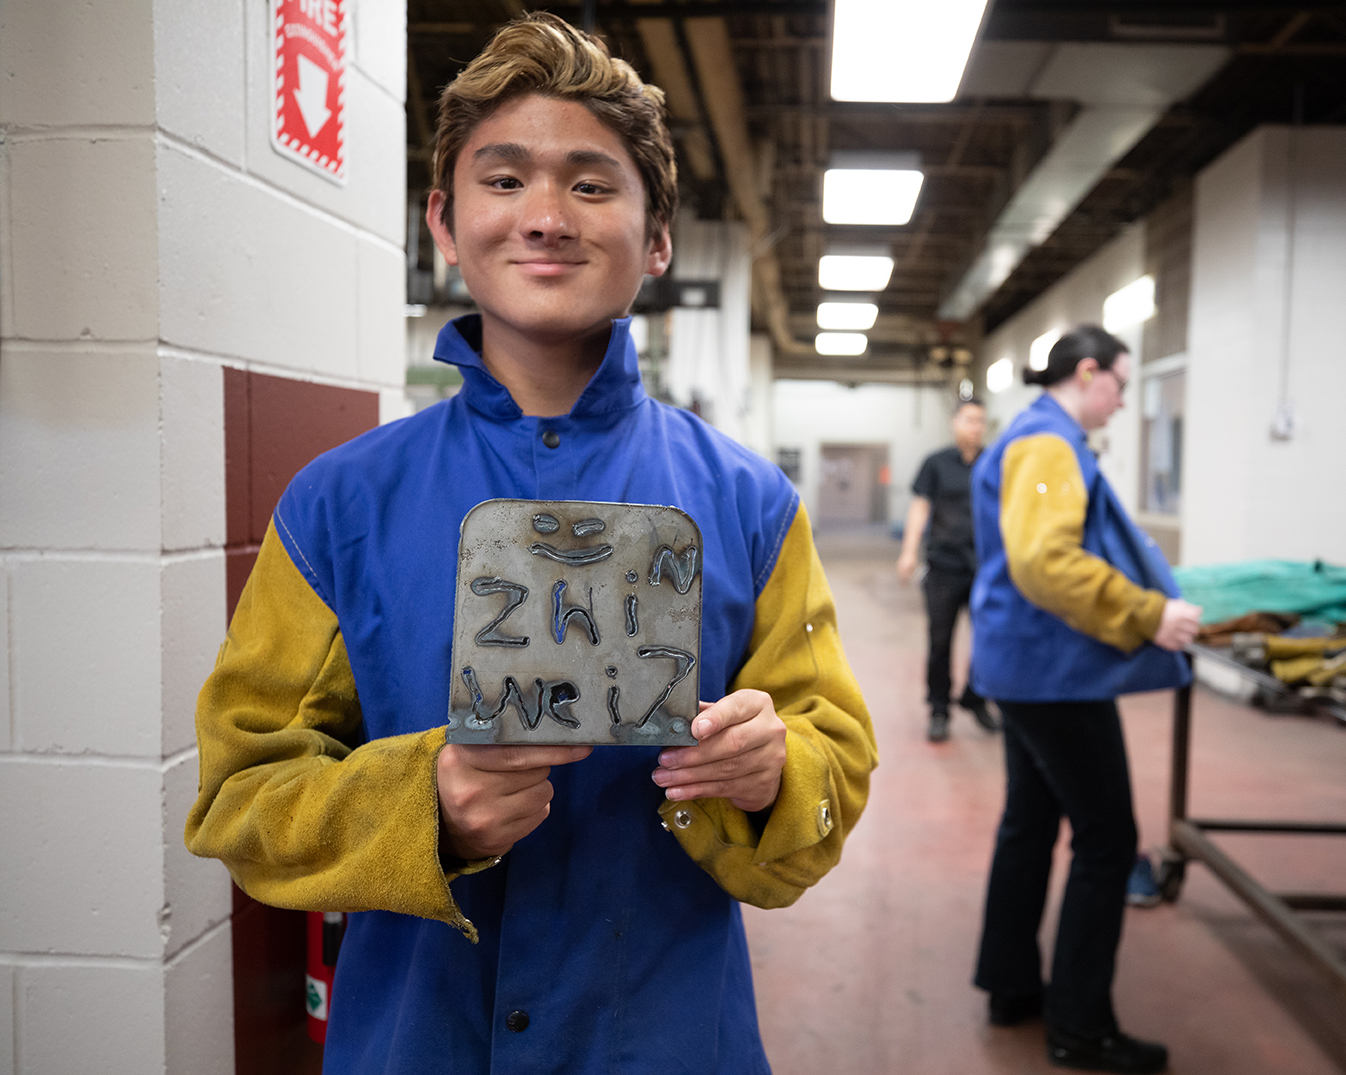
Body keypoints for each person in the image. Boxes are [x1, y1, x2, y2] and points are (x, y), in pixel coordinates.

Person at [184, 15, 877, 1073]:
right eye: (503, 181)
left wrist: (772, 767)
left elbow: (834, 765)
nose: (547, 216)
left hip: (665, 1037)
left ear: (656, 239)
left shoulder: (748, 504)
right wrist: (425, 805)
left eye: (592, 184)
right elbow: (241, 796)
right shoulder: (338, 506)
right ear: (444, 225)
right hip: (420, 1038)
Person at [968, 326, 1201, 1074]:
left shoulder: (1032, 437)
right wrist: (1145, 613)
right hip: (1053, 673)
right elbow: (1045, 562)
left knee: (1029, 823)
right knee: (1107, 838)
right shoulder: (1047, 442)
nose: (1123, 400)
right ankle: (1080, 1024)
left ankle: (1011, 987)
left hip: (1020, 665)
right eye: (1121, 384)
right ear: (1088, 371)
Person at [896, 398, 998, 742]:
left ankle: (977, 696)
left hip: (984, 567)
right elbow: (920, 508)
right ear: (955, 423)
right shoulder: (936, 464)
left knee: (987, 638)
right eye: (969, 420)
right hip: (943, 566)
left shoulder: (994, 462)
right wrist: (909, 552)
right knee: (940, 641)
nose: (975, 427)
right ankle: (939, 709)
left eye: (981, 421)